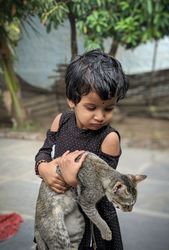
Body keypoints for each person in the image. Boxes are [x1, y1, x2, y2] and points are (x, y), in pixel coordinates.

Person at [34, 49, 129, 250]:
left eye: (108, 108)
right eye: (91, 107)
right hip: (57, 208)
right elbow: (44, 152)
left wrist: (72, 180)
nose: (100, 116)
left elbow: (106, 187)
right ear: (72, 100)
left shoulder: (108, 139)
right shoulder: (60, 121)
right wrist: (43, 169)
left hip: (91, 218)